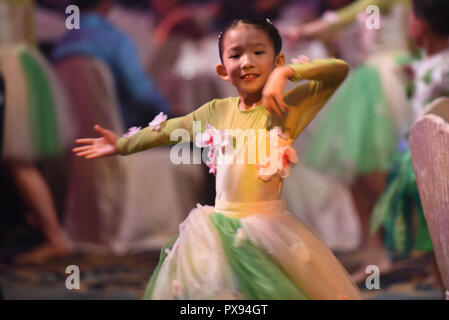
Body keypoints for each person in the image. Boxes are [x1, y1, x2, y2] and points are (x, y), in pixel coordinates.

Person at [74, 18, 361, 299]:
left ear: (277, 60)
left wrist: (287, 75)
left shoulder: (287, 108)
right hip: (216, 227)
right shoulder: (215, 111)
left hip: (267, 230)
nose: (247, 61)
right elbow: (169, 130)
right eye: (236, 55)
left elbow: (338, 71)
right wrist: (124, 144)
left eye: (258, 53)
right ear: (223, 70)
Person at [371, 0, 449, 287]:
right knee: (427, 213)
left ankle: (442, 275)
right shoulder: (428, 62)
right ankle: (435, 270)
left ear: (422, 24)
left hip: (439, 153)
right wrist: (415, 74)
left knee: (438, 215)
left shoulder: (444, 66)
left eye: (411, 19)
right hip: (420, 149)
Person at [52, 0, 170, 128]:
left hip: (72, 135)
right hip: (118, 133)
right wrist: (168, 108)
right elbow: (141, 95)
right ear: (106, 3)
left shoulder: (61, 45)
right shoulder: (116, 41)